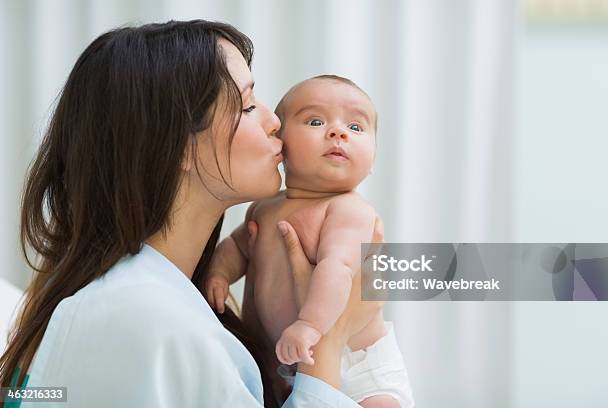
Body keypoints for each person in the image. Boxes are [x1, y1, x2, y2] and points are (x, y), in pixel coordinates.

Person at [0, 20, 382, 407]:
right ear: (176, 145)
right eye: (248, 106)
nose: (275, 122)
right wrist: (329, 341)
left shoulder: (164, 298)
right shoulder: (144, 317)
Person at [205, 76, 414, 407]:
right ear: (280, 145)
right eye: (316, 121)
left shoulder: (349, 210)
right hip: (289, 359)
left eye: (356, 128)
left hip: (357, 364)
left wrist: (309, 325)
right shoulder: (266, 206)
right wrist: (218, 273)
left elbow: (338, 268)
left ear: (372, 160)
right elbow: (238, 246)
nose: (338, 132)